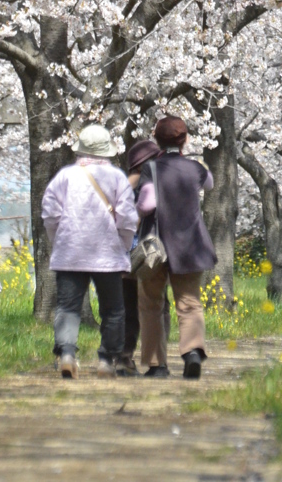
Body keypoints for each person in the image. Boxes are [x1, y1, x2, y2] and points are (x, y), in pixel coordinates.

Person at [41, 123, 138, 379]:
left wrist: (58, 239)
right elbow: (128, 217)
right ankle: (107, 360)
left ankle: (67, 355)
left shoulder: (65, 176)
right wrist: (124, 244)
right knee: (113, 309)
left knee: (67, 308)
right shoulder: (117, 177)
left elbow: (50, 213)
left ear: (80, 150)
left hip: (70, 253)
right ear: (107, 150)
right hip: (108, 255)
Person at [136, 115, 217, 380]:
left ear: (156, 140)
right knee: (190, 302)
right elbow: (210, 184)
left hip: (155, 247)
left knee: (151, 304)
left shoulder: (152, 168)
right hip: (190, 246)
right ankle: (193, 352)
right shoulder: (196, 168)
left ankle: (157, 365)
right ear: (185, 140)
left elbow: (147, 205)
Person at [115, 138, 170, 378]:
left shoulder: (122, 183)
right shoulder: (149, 182)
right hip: (143, 254)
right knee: (156, 305)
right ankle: (158, 361)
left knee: (126, 308)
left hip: (120, 252)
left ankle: (123, 358)